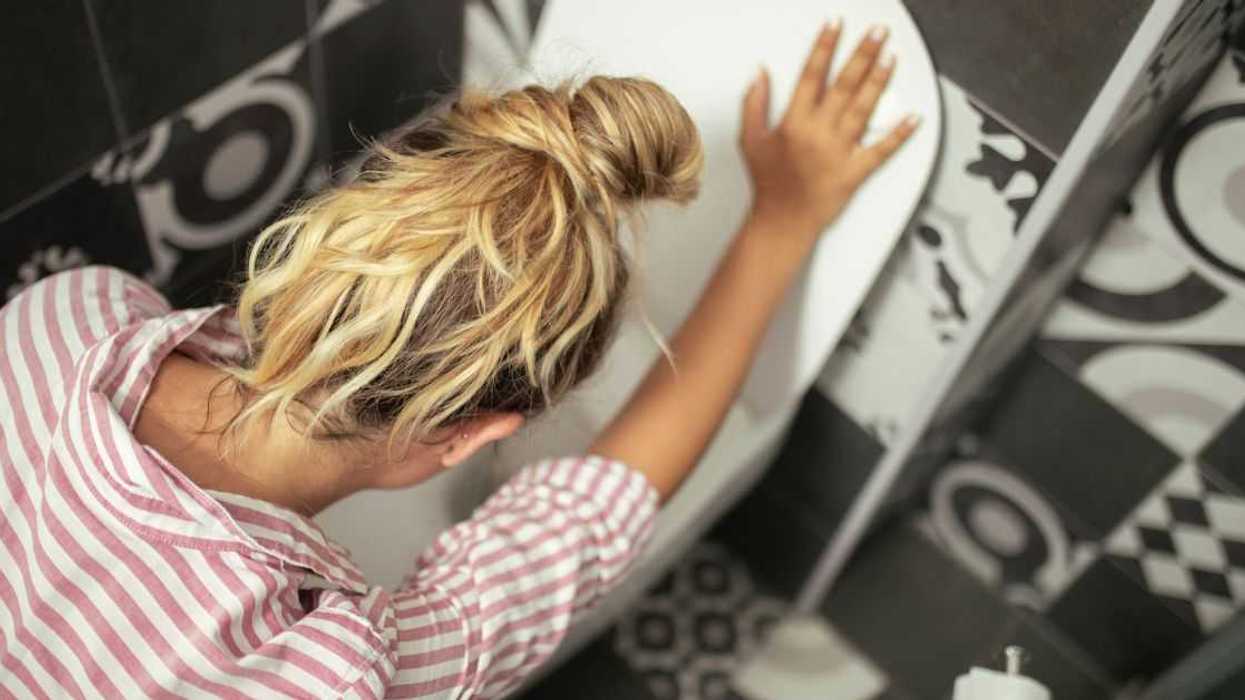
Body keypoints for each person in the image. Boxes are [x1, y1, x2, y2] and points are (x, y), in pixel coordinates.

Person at [0, 21, 916, 699]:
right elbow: (588, 517)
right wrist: (781, 222)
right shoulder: (340, 670)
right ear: (472, 436)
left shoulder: (64, 318)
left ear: (332, 247)